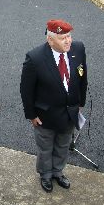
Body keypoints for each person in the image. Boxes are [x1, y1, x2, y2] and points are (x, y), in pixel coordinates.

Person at [20, 19, 88, 193]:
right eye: (63, 38)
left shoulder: (78, 49)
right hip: (46, 116)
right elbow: (26, 90)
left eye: (69, 36)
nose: (68, 41)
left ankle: (58, 171)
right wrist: (31, 115)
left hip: (69, 113)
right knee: (45, 148)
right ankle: (46, 174)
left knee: (63, 145)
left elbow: (82, 77)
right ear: (50, 40)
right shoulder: (35, 58)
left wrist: (80, 103)